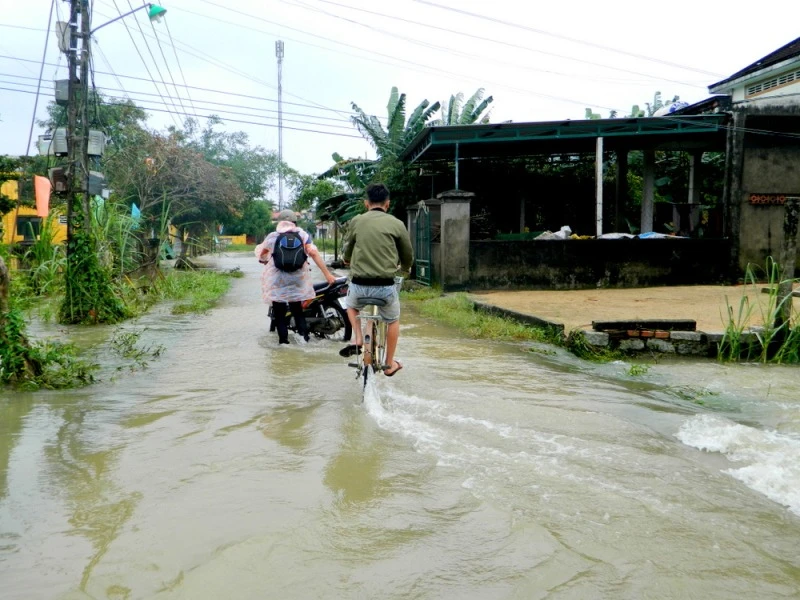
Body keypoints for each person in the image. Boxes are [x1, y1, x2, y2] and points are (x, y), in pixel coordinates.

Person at [339, 183, 413, 376]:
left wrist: (346, 259)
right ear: (387, 204)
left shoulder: (357, 220)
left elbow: (348, 248)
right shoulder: (396, 223)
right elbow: (407, 254)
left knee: (351, 306)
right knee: (393, 319)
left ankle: (357, 339)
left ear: (366, 203)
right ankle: (389, 365)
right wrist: (405, 268)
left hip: (359, 287)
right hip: (385, 287)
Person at [255, 209, 336, 344]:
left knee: (279, 314)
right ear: (295, 222)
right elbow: (314, 253)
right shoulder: (303, 235)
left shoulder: (273, 236)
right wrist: (327, 274)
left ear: (279, 222)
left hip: (278, 280)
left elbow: (262, 254)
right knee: (297, 311)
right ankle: (304, 340)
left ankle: (283, 343)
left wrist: (264, 260)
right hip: (298, 280)